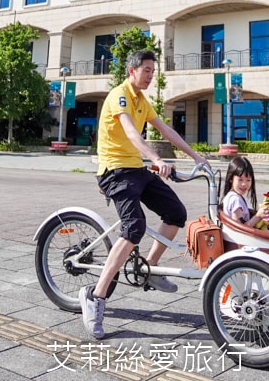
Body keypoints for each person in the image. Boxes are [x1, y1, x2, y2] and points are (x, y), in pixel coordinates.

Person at [80, 49, 209, 340]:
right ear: (132, 71)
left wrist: (196, 156)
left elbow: (165, 130)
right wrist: (157, 159)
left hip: (135, 170)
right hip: (114, 171)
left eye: (153, 71)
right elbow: (130, 133)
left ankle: (148, 268)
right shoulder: (120, 95)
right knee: (134, 227)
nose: (151, 75)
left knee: (176, 213)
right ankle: (96, 296)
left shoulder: (143, 100)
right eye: (147, 70)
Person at [220, 155, 269, 229]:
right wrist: (258, 216)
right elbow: (239, 228)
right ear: (231, 179)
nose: (244, 184)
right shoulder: (235, 200)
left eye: (248, 180)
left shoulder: (230, 196)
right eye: (240, 180)